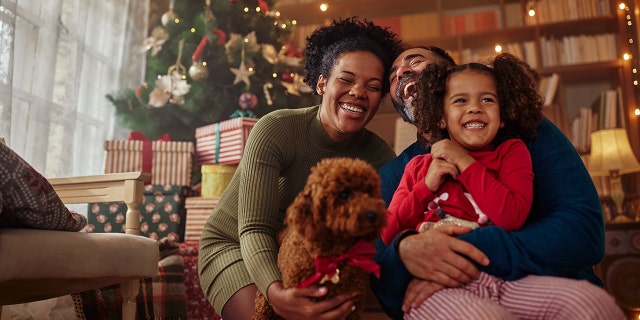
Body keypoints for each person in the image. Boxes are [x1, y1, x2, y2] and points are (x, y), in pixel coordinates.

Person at [372, 46, 624, 319]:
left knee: (595, 306)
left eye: (415, 61)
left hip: (537, 288)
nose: (402, 72)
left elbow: (582, 233)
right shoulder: (399, 171)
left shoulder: (524, 133)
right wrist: (404, 252)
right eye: (393, 76)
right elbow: (383, 275)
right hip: (451, 299)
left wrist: (461, 252)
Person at [198, 17, 403, 320]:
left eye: (372, 87)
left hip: (312, 255)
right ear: (322, 83)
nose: (359, 92)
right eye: (346, 79)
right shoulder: (276, 129)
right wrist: (274, 291)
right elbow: (254, 228)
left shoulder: (380, 156)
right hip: (234, 247)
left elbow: (376, 234)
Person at [381, 54, 540, 246]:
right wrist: (425, 187)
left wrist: (464, 162)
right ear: (441, 117)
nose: (474, 108)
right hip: (433, 269)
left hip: (493, 266)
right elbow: (388, 233)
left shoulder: (511, 152)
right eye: (460, 101)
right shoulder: (417, 167)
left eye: (487, 100)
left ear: (503, 115)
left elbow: (511, 219)